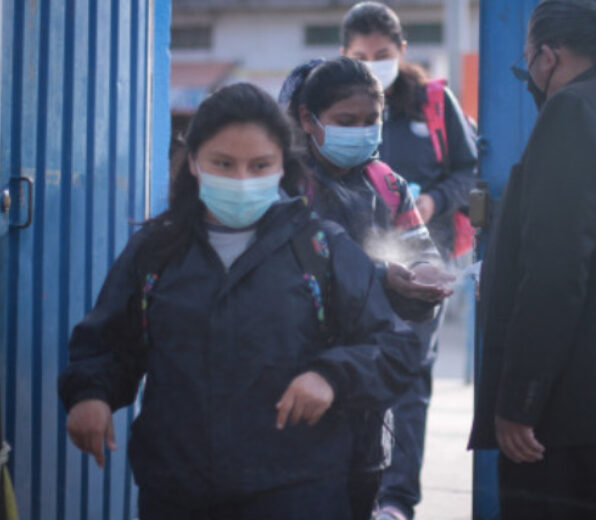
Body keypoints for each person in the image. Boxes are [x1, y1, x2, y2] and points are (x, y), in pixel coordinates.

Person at [58, 82, 419, 520]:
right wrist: (90, 395)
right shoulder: (155, 251)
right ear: (194, 162)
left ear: (281, 166)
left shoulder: (319, 248)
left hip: (299, 490)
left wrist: (331, 376)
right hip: (177, 491)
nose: (242, 180)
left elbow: (396, 347)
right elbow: (108, 343)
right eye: (223, 164)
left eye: (259, 165)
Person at [468, 1, 596, 519]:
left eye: (527, 65)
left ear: (548, 57)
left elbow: (555, 272)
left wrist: (520, 401)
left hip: (568, 415)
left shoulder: (574, 111)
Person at [279, 56, 455, 520]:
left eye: (370, 121)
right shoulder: (284, 185)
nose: (360, 132)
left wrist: (424, 278)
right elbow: (290, 272)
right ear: (308, 120)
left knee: (359, 492)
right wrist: (381, 276)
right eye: (345, 121)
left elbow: (418, 251)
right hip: (294, 381)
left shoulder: (388, 184)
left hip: (367, 391)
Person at [339, 4, 479, 519]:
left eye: (382, 53)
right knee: (353, 371)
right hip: (356, 265)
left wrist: (433, 202)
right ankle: (355, 491)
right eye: (360, 56)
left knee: (409, 378)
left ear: (401, 50)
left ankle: (396, 501)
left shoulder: (434, 103)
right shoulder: (337, 107)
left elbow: (470, 168)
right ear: (343, 55)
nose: (372, 64)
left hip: (423, 260)